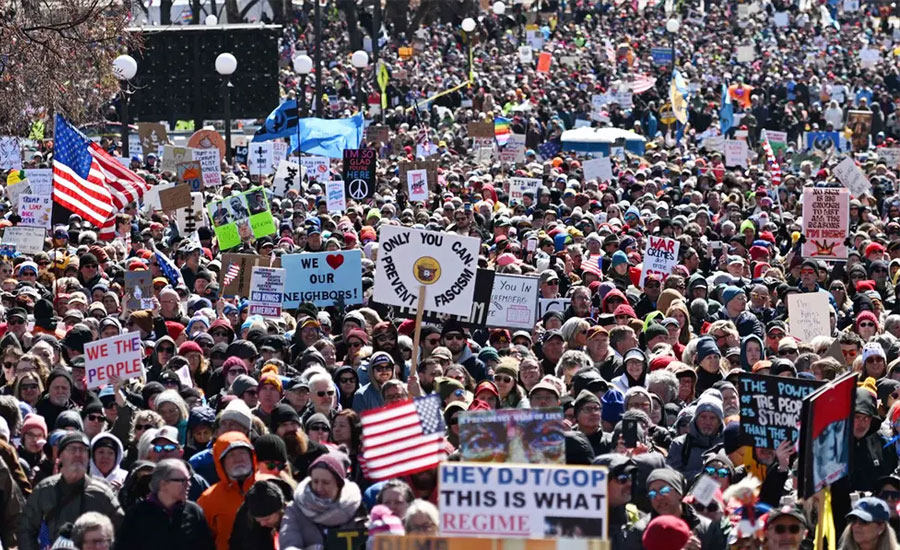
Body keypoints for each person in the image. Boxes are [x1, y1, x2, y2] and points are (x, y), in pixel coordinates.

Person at [20, 432, 124, 550]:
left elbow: (121, 532)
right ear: (60, 456)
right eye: (72, 449)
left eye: (83, 450)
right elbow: (26, 530)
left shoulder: (102, 492)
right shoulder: (44, 490)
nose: (78, 454)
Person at [115, 458, 216, 550]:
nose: (189, 485)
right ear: (163, 484)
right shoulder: (136, 514)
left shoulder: (194, 512)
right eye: (182, 481)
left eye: (189, 480)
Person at [279, 453, 366, 550]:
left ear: (339, 485)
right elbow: (289, 541)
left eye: (326, 483)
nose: (319, 488)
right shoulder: (296, 509)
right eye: (315, 481)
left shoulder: (355, 507)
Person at [197, 432, 259, 550]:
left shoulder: (269, 487)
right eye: (231, 455)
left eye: (242, 453)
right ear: (221, 463)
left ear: (252, 456)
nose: (238, 459)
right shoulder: (208, 499)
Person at [230, 479, 286, 550]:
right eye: (258, 520)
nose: (262, 524)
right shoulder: (244, 518)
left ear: (280, 511)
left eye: (267, 519)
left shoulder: (295, 517)